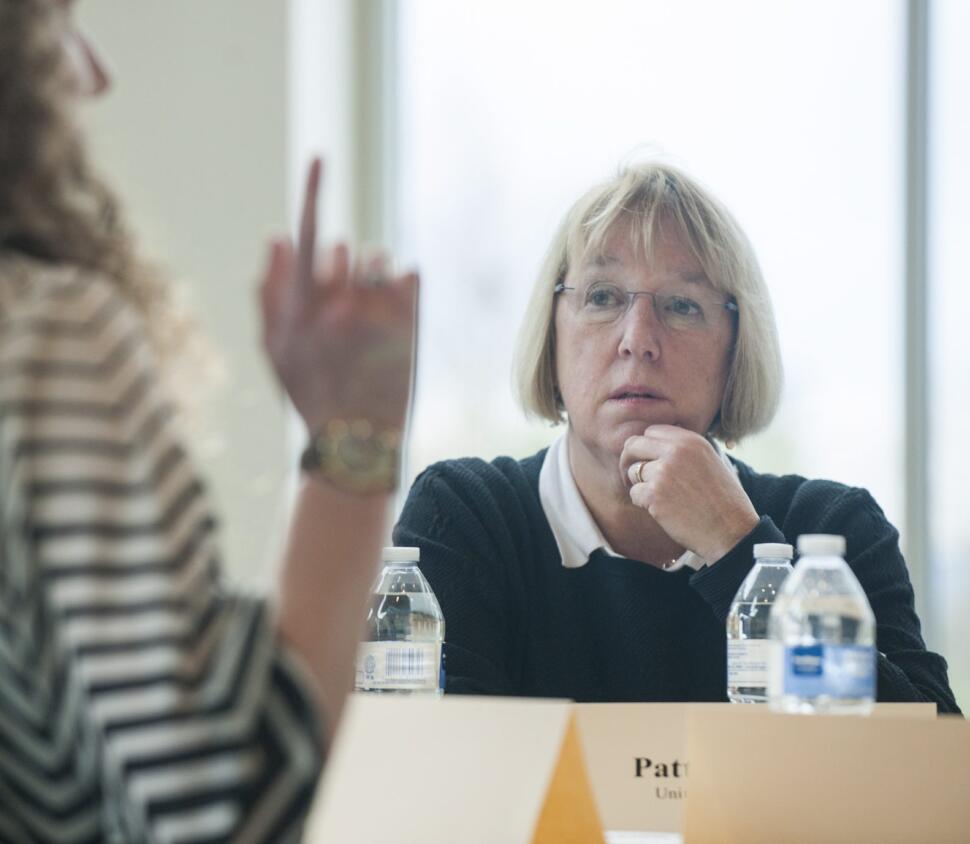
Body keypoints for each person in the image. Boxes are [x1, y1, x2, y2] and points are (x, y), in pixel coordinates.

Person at [0, 1, 417, 841]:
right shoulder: (21, 339)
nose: (93, 74)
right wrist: (356, 435)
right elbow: (236, 800)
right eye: (56, 25)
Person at [393, 162, 959, 714]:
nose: (638, 340)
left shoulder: (830, 532)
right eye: (602, 297)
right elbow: (434, 780)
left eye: (682, 305)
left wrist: (740, 551)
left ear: (736, 350)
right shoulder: (464, 515)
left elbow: (931, 777)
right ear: (551, 332)